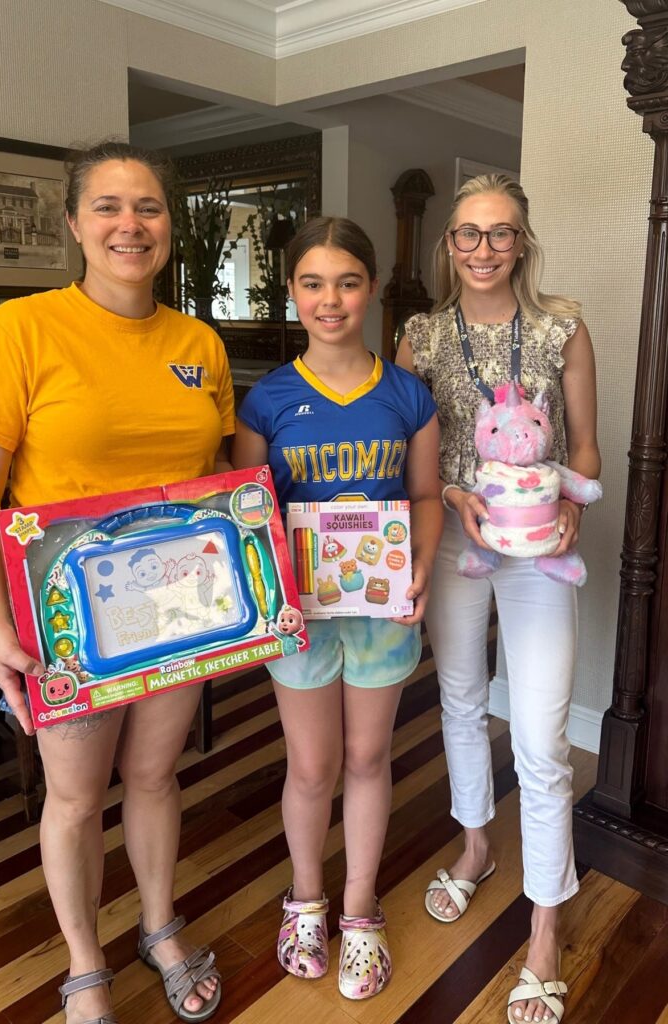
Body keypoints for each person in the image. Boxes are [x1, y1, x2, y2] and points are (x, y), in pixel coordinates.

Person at [0, 141, 232, 1024]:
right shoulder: (17, 330)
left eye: (147, 207)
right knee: (74, 798)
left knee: (152, 777)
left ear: (170, 228)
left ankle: (157, 924)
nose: (129, 225)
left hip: (176, 606)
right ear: (74, 223)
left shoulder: (199, 342)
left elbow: (214, 481)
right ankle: (84, 966)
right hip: (65, 617)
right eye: (107, 207)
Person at [396, 174, 600, 1024]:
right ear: (450, 245)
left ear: (524, 241)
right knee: (460, 699)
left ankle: (546, 926)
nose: (484, 249)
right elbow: (402, 447)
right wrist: (451, 492)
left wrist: (570, 511)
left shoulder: (561, 328)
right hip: (455, 540)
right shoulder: (419, 335)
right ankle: (478, 843)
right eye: (468, 234)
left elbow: (586, 448)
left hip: (539, 549)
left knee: (545, 737)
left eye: (501, 233)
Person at [233, 217, 442, 1001]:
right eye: (313, 283)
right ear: (292, 294)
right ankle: (306, 901)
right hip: (301, 615)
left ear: (373, 288)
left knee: (366, 760)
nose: (331, 300)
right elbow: (245, 517)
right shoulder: (269, 400)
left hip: (382, 609)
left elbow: (423, 495)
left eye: (348, 282)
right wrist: (266, 599)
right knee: (313, 765)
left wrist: (420, 564)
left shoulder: (406, 394)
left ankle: (359, 910)